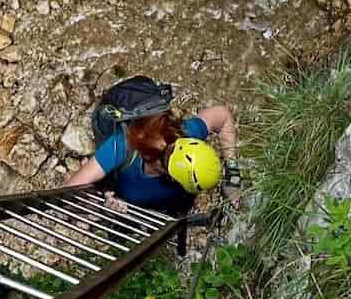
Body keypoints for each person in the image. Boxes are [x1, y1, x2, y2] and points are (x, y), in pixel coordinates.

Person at [66, 76, 243, 215]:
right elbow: (67, 193)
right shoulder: (121, 146)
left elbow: (223, 114)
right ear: (174, 178)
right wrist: (102, 201)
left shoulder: (186, 132)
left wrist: (233, 175)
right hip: (128, 208)